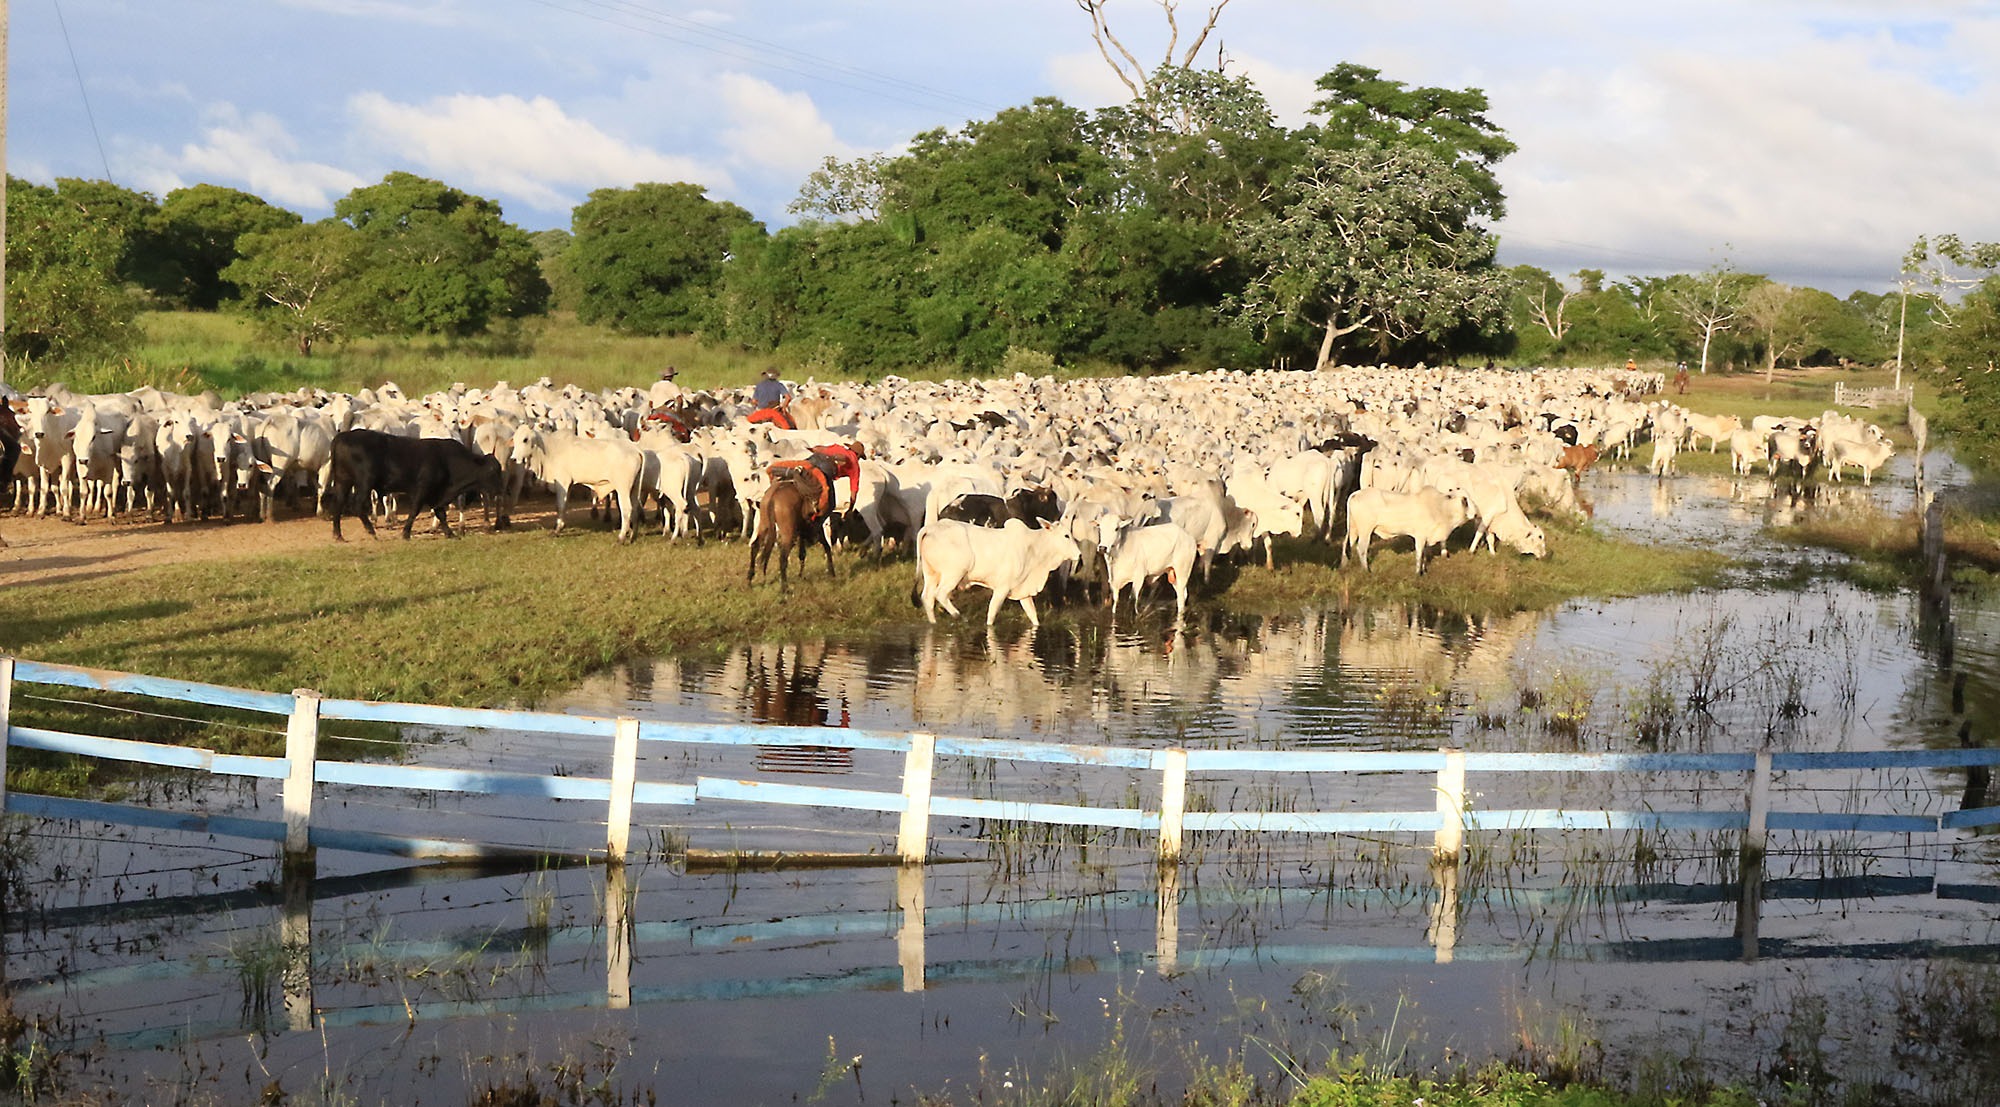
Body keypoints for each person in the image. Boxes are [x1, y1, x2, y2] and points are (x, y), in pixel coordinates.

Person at [767, 440, 866, 519]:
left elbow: (819, 448)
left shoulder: (838, 447)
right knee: (830, 505)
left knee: (801, 468)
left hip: (815, 458)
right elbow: (854, 490)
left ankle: (785, 473)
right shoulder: (855, 466)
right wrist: (851, 507)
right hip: (827, 469)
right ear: (857, 455)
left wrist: (812, 449)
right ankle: (814, 525)